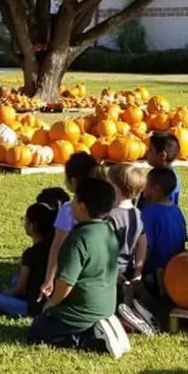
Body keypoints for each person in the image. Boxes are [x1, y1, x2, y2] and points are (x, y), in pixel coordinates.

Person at [27, 177, 130, 357]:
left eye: (74, 199)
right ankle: (101, 328)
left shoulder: (77, 239)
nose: (70, 203)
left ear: (82, 208)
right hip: (106, 308)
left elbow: (65, 284)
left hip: (80, 314)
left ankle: (90, 339)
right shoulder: (109, 232)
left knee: (37, 331)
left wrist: (51, 304)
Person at [0, 202, 55, 317]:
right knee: (15, 279)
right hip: (51, 302)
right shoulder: (54, 248)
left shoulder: (30, 254)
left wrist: (4, 293)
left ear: (32, 225)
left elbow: (20, 290)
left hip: (32, 307)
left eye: (25, 220)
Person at [105, 163, 159, 335]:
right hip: (129, 267)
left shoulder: (110, 216)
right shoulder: (137, 214)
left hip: (112, 269)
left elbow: (107, 247)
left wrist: (113, 270)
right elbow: (143, 241)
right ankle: (135, 309)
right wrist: (138, 269)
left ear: (114, 187)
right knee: (124, 295)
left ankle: (124, 318)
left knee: (111, 304)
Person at [39, 152, 101, 302]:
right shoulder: (103, 205)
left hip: (69, 276)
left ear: (72, 181)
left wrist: (49, 279)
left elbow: (57, 247)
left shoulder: (68, 210)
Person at [140, 167, 188, 298]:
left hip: (156, 271)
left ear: (155, 190)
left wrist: (138, 271)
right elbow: (183, 241)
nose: (143, 189)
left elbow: (146, 247)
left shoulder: (149, 213)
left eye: (146, 185)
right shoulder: (177, 211)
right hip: (176, 270)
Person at [137, 132, 181, 210]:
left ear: (162, 155)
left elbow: (165, 209)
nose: (147, 152)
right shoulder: (154, 174)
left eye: (150, 150)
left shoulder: (169, 181)